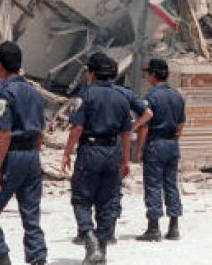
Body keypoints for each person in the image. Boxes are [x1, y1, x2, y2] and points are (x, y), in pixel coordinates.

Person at [0, 42, 48, 265]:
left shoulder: (4, 92)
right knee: (31, 216)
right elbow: (39, 131)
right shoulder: (34, 92)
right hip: (31, 157)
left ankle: (2, 260)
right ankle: (38, 260)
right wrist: (32, 159)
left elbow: (4, 134)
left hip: (12, 156)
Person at [61, 53, 132, 264]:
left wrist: (66, 152)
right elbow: (126, 133)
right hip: (112, 151)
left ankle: (90, 240)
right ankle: (101, 250)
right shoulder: (122, 96)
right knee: (107, 201)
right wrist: (125, 160)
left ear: (91, 73)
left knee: (81, 200)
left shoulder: (86, 95)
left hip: (90, 151)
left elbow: (77, 128)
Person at [71, 76, 151, 246]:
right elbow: (148, 113)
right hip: (114, 147)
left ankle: (85, 234)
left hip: (92, 148)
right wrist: (130, 130)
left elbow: (78, 126)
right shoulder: (124, 94)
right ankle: (108, 234)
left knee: (85, 194)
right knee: (110, 195)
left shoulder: (89, 93)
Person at [135, 58, 185, 242]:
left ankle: (153, 228)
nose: (146, 76)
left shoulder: (151, 97)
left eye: (148, 73)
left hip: (155, 143)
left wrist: (139, 149)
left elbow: (144, 126)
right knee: (171, 183)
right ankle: (174, 227)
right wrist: (173, 140)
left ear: (154, 75)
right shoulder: (177, 95)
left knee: (153, 184)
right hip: (172, 143)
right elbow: (181, 124)